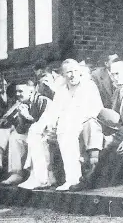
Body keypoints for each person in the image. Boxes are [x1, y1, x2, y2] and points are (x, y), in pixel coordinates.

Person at [21, 59, 103, 191]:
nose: (73, 75)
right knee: (35, 131)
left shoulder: (89, 86)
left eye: (76, 71)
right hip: (65, 124)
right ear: (63, 75)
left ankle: (73, 179)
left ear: (80, 72)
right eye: (69, 72)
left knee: (65, 130)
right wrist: (47, 125)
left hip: (85, 124)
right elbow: (53, 111)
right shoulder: (61, 90)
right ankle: (42, 179)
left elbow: (96, 109)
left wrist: (70, 119)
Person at [72, 61, 123, 190]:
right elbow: (116, 117)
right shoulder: (117, 92)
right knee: (94, 135)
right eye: (112, 75)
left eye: (118, 74)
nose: (115, 78)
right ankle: (89, 178)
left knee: (108, 151)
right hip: (121, 132)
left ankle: (91, 181)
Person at [0, 82, 51, 185]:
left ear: (31, 92)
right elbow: (20, 129)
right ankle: (16, 173)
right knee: (15, 137)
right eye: (17, 91)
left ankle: (38, 176)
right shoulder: (21, 103)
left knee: (32, 138)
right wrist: (20, 118)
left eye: (21, 91)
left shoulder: (43, 101)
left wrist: (27, 116)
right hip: (31, 135)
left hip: (45, 136)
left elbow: (43, 127)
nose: (18, 94)